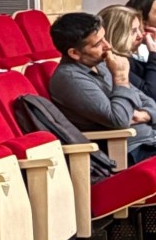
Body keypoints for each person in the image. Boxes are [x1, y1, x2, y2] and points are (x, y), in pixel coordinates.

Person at [49, 11, 156, 163]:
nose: (108, 46)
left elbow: (149, 101)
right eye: (98, 44)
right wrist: (121, 78)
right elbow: (119, 120)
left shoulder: (101, 65)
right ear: (74, 53)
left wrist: (143, 115)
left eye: (104, 38)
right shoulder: (69, 79)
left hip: (150, 140)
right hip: (131, 151)